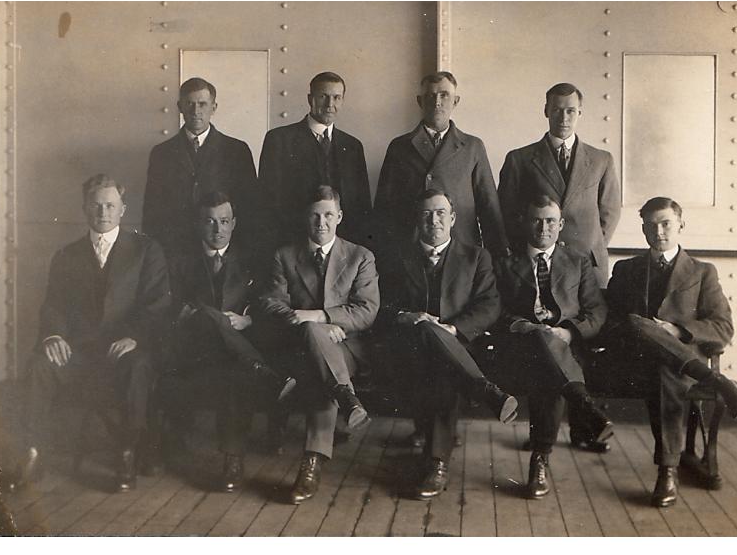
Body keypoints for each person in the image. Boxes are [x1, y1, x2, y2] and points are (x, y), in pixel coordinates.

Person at [12, 174, 171, 492]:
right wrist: (53, 336)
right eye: (96, 206)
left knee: (139, 365)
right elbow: (53, 305)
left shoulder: (145, 250)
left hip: (122, 350)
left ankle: (126, 452)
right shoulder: (67, 255)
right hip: (80, 354)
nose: (103, 213)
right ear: (85, 209)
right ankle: (33, 452)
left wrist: (136, 336)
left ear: (123, 209)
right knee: (40, 363)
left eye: (111, 206)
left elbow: (157, 304)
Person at [497, 82, 621, 452]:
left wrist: (581, 253)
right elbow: (506, 212)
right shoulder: (521, 158)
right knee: (542, 338)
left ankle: (583, 428)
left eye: (570, 110)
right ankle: (546, 434)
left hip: (582, 267)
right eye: (556, 109)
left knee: (577, 341)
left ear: (580, 114)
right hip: (535, 267)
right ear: (545, 110)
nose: (563, 117)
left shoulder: (601, 160)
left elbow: (609, 213)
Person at [602, 196, 737, 507]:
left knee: (665, 370)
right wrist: (644, 331)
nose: (659, 232)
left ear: (681, 224)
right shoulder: (626, 269)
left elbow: (723, 327)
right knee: (633, 322)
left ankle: (667, 469)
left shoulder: (702, 272)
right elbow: (609, 321)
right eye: (651, 225)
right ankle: (717, 381)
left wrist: (677, 331)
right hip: (633, 361)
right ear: (642, 229)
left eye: (666, 223)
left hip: (676, 369)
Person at [378, 189, 518, 500]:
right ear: (418, 218)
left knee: (441, 367)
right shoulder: (398, 255)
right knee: (428, 338)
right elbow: (381, 304)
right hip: (409, 345)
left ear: (453, 218)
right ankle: (484, 392)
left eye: (441, 213)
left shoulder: (477, 256)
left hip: (460, 345)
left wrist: (453, 328)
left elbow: (489, 306)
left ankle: (436, 461)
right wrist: (409, 316)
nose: (434, 220)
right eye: (427, 213)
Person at [155, 191, 295, 492]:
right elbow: (169, 308)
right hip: (194, 349)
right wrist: (199, 316)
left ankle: (233, 460)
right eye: (209, 222)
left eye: (223, 221)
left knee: (233, 374)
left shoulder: (252, 261)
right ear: (197, 225)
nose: (217, 229)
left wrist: (247, 320)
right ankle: (266, 374)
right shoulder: (180, 262)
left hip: (234, 351)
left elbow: (267, 304)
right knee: (207, 316)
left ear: (234, 223)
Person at [259, 186, 379, 504]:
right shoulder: (284, 256)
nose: (321, 223)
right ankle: (345, 399)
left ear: (339, 217)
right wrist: (310, 328)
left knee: (317, 358)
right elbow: (272, 303)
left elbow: (367, 310)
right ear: (305, 218)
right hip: (299, 347)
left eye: (328, 215)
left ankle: (311, 464)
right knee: (315, 353)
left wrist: (322, 319)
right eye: (314, 215)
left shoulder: (359, 256)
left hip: (347, 348)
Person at [496, 195, 612, 499]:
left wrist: (569, 334)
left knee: (547, 369)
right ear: (525, 222)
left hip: (568, 349)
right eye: (536, 219)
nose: (543, 227)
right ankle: (583, 407)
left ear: (560, 225)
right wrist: (527, 327)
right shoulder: (506, 264)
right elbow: (498, 311)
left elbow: (596, 312)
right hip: (523, 346)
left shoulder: (578, 262)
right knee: (541, 352)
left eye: (550, 221)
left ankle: (540, 459)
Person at [374, 71, 509, 261]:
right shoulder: (400, 146)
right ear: (420, 101)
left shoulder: (472, 146)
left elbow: (488, 206)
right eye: (430, 96)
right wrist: (383, 252)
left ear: (456, 101)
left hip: (462, 247)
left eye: (444, 95)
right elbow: (383, 207)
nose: (437, 102)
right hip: (410, 249)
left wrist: (498, 255)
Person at [142, 77, 259, 261]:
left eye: (202, 104)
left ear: (214, 107)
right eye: (190, 104)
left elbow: (250, 208)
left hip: (223, 252)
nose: (196, 111)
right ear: (180, 107)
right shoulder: (161, 153)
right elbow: (152, 212)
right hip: (175, 252)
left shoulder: (237, 150)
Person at [258, 71, 371, 251]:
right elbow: (267, 202)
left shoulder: (352, 146)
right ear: (310, 99)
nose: (330, 104)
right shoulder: (279, 140)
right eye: (323, 97)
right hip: (292, 246)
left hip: (341, 250)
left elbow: (361, 205)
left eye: (336, 97)